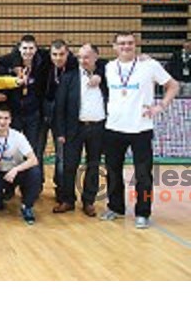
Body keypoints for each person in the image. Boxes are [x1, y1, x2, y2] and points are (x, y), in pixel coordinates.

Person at [101, 32, 179, 229]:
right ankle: (115, 207)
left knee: (143, 175)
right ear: (114, 46)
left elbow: (173, 85)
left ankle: (143, 212)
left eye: (129, 43)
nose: (126, 47)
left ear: (135, 45)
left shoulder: (149, 65)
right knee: (113, 172)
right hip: (113, 128)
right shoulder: (109, 68)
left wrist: (160, 106)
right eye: (121, 43)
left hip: (141, 129)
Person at [54, 44, 107, 216]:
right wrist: (60, 132)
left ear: (96, 58)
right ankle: (67, 200)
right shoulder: (69, 77)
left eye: (87, 57)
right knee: (69, 165)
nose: (83, 60)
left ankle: (88, 201)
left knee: (93, 165)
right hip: (74, 128)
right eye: (80, 57)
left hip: (98, 127)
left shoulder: (106, 76)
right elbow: (59, 107)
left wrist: (100, 74)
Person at [0, 106, 41, 225]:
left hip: (15, 171)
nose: (2, 122)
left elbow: (33, 160)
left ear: (11, 120)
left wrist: (16, 170)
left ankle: (27, 206)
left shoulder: (18, 137)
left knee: (35, 173)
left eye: (6, 118)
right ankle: (2, 195)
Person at [36, 39, 78, 196]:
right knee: (37, 152)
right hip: (42, 113)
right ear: (50, 54)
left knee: (62, 155)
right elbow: (17, 51)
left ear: (68, 53)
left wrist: (141, 58)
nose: (58, 58)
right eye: (54, 54)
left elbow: (99, 62)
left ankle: (62, 190)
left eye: (62, 54)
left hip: (63, 117)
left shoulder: (75, 65)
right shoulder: (42, 62)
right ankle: (36, 187)